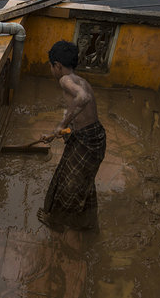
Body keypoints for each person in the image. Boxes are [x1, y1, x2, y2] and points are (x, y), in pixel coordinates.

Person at [37, 40, 107, 232]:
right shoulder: (79, 80)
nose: (52, 70)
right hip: (92, 136)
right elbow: (75, 112)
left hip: (88, 140)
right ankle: (87, 223)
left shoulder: (65, 80)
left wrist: (62, 125)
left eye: (51, 66)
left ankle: (58, 223)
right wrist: (55, 133)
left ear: (57, 66)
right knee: (81, 180)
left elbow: (83, 99)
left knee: (69, 183)